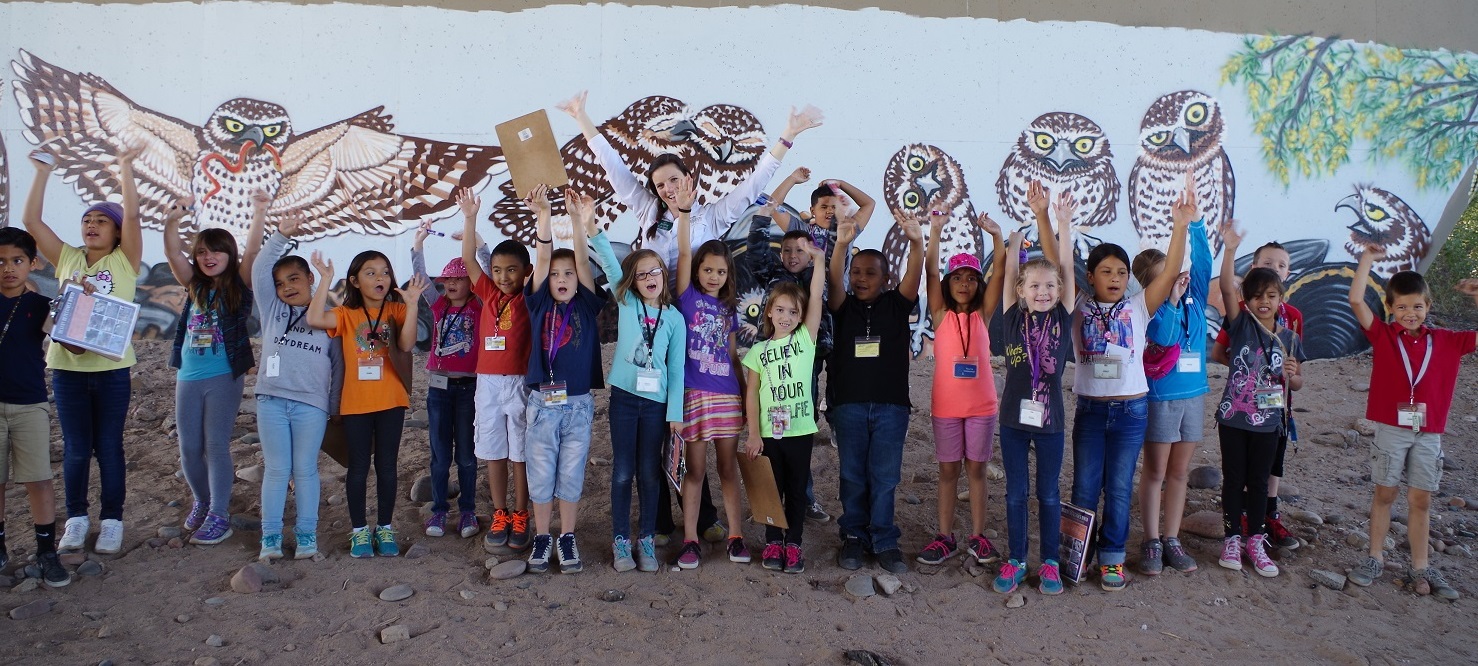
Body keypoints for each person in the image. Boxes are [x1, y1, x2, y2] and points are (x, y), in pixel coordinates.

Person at [1069, 175, 1191, 591]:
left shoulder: (1139, 307)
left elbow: (1170, 269)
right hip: (1089, 409)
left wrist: (1180, 227)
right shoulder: (1079, 305)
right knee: (1085, 487)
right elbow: (1056, 258)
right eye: (1106, 271)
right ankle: (1079, 554)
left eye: (1122, 271)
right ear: (1091, 276)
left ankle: (1112, 559)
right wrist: (1056, 225)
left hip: (1131, 411)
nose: (1116, 277)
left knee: (1119, 488)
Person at [23, 144, 144, 555]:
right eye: (86, 219)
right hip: (68, 369)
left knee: (109, 446)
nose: (92, 224)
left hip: (111, 371)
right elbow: (31, 221)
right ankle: (75, 519)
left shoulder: (125, 261)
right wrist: (42, 173)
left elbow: (133, 215)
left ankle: (112, 521)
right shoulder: (68, 258)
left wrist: (125, 166)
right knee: (76, 449)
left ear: (115, 231)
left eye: (101, 221)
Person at [1345, 246, 1478, 601]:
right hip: (1392, 427)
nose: (1409, 313)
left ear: (1428, 307)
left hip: (1428, 432)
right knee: (1384, 493)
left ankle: (1421, 565)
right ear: (1389, 309)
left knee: (1421, 500)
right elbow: (1357, 300)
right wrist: (1368, 261)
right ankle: (1374, 557)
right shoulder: (1384, 335)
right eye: (1401, 307)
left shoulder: (1447, 341)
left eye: (1417, 306)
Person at [749, 168, 876, 523]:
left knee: (804, 415)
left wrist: (840, 185)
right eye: (823, 206)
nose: (793, 254)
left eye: (834, 205)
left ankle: (803, 495)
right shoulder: (785, 262)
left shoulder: (834, 243)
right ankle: (780, 498)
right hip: (774, 358)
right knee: (777, 425)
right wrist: (791, 179)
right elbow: (766, 211)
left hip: (819, 344)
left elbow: (867, 206)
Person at [306, 250, 426, 558]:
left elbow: (407, 344)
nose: (380, 278)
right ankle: (359, 531)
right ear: (355, 282)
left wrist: (411, 306)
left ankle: (384, 527)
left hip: (391, 401)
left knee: (387, 466)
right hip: (356, 403)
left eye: (384, 272)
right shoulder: (346, 315)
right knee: (358, 467)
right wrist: (325, 279)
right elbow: (314, 318)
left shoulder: (396, 310)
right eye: (370, 273)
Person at [593, 192, 687, 575]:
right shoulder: (628, 302)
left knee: (649, 472)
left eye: (656, 271)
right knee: (621, 471)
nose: (650, 278)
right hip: (625, 400)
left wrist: (676, 415)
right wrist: (591, 226)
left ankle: (646, 538)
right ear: (634, 280)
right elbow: (610, 264)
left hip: (657, 405)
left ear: (665, 276)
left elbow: (677, 370)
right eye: (642, 273)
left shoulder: (675, 319)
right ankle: (621, 540)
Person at [161, 193, 260, 547]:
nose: (208, 257)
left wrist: (259, 210)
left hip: (223, 376)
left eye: (216, 251)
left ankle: (220, 513)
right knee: (188, 447)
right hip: (188, 375)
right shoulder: (195, 285)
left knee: (215, 444)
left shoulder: (240, 285)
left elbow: (251, 254)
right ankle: (202, 501)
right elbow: (173, 253)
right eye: (202, 252)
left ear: (228, 256)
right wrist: (172, 221)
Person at [829, 214, 924, 575]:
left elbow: (914, 273)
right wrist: (841, 244)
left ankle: (884, 539)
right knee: (852, 475)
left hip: (891, 408)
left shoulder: (898, 305)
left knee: (885, 477)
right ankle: (853, 536)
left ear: (887, 279)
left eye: (871, 273)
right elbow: (836, 274)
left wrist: (916, 241)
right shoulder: (842, 307)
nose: (861, 278)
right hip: (849, 406)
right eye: (857, 272)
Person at [993, 186, 1076, 595]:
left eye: (1050, 287)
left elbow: (1066, 264)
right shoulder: (1012, 319)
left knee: (1047, 493)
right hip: (1012, 419)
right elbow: (1009, 273)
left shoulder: (1063, 314)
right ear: (1023, 292)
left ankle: (1048, 562)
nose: (1042, 292)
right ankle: (1015, 559)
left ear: (1059, 292)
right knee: (1015, 492)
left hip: (1052, 421)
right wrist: (1012, 244)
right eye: (1034, 287)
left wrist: (1062, 223)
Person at [522, 186, 607, 574]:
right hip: (542, 405)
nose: (561, 278)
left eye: (568, 273)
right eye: (555, 274)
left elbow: (583, 263)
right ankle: (543, 537)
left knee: (571, 474)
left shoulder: (587, 304)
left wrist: (575, 219)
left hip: (578, 406)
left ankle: (567, 535)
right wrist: (544, 214)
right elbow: (542, 256)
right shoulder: (538, 302)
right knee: (541, 473)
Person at [915, 206, 1005, 566]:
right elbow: (931, 268)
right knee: (948, 471)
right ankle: (944, 536)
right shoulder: (940, 314)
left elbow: (1000, 269)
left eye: (970, 278)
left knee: (977, 471)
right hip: (947, 409)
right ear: (947, 284)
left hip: (982, 408)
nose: (964, 284)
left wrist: (997, 235)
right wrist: (934, 230)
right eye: (958, 278)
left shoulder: (984, 314)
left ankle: (978, 536)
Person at [1213, 221, 1304, 578]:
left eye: (1271, 296)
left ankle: (1256, 539)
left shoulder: (1290, 338)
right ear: (1246, 302)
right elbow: (1224, 284)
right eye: (1257, 297)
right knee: (1233, 479)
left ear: (1281, 299)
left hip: (1269, 422)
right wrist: (1231, 248)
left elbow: (1296, 384)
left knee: (1260, 479)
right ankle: (1232, 538)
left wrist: (1293, 373)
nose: (1264, 302)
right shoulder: (1240, 324)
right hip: (1233, 418)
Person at [252, 207, 338, 562]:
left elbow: (339, 364)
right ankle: (270, 538)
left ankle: (307, 536)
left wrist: (333, 406)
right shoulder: (272, 309)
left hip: (311, 405)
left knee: (304, 469)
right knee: (276, 470)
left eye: (294, 279)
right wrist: (280, 237)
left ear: (310, 281)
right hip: (271, 401)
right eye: (281, 283)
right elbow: (259, 269)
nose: (287, 287)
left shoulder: (331, 314)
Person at [1134, 201, 1213, 577]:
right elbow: (1164, 340)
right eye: (1165, 276)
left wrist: (1193, 223)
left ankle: (1171, 537)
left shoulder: (1195, 298)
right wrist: (1170, 301)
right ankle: (1151, 539)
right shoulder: (1152, 312)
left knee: (1180, 473)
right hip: (1162, 398)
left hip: (1192, 397)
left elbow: (1204, 263)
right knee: (1155, 472)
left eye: (1175, 271)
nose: (1176, 278)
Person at [674, 179, 749, 567]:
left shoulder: (729, 310)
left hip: (726, 397)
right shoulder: (687, 297)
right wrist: (685, 212)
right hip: (693, 395)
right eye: (708, 269)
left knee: (728, 467)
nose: (714, 276)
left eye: (720, 271)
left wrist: (746, 401)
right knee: (696, 470)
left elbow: (734, 358)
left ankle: (736, 535)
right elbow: (684, 250)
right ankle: (690, 539)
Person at [457, 189, 536, 553]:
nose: (504, 276)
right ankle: (500, 512)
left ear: (526, 272)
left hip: (520, 382)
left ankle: (522, 513)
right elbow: (470, 260)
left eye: (512, 270)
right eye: (499, 270)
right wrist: (470, 217)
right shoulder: (488, 292)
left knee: (520, 450)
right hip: (487, 383)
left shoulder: (530, 296)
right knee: (492, 449)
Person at [742, 241, 828, 573]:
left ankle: (793, 543)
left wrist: (819, 261)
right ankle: (772, 542)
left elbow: (817, 297)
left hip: (800, 430)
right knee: (769, 489)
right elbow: (751, 394)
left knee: (794, 490)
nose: (786, 316)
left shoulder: (804, 341)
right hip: (767, 433)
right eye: (780, 310)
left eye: (793, 312)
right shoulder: (759, 351)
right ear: (769, 312)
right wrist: (753, 434)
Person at [0, 227, 70, 586]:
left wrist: (78, 301)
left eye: (16, 260)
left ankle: (46, 551)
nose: (8, 268)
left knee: (39, 480)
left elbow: (73, 344)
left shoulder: (41, 305)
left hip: (29, 403)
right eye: (0, 261)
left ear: (33, 263)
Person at [411, 226, 487, 540]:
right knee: (440, 455)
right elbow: (422, 279)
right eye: (448, 280)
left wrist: (478, 243)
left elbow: (490, 277)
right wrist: (417, 244)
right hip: (438, 390)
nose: (452, 284)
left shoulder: (481, 305)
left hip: (469, 389)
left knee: (467, 455)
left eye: (459, 278)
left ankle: (467, 509)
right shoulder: (439, 305)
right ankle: (439, 510)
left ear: (471, 281)